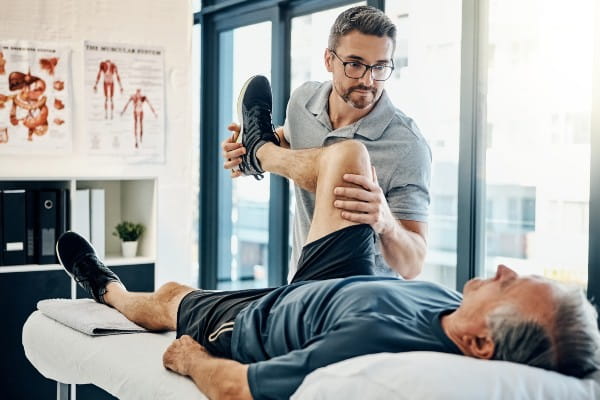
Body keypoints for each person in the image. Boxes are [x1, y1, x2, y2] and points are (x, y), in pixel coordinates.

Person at [56, 78, 600, 399]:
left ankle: (105, 285)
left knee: (170, 295)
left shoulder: (369, 349)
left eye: (512, 286)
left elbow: (238, 388)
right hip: (341, 279)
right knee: (348, 155)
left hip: (265, 320)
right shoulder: (457, 309)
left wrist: (191, 361)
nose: (505, 269)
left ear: (481, 345)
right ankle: (261, 149)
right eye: (521, 272)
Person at [222, 6, 431, 281]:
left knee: (348, 157)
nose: (368, 80)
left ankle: (262, 153)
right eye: (355, 64)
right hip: (300, 287)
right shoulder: (302, 102)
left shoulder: (407, 146)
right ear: (328, 60)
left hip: (362, 301)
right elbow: (290, 141)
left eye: (380, 67)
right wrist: (245, 152)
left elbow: (413, 265)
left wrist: (386, 222)